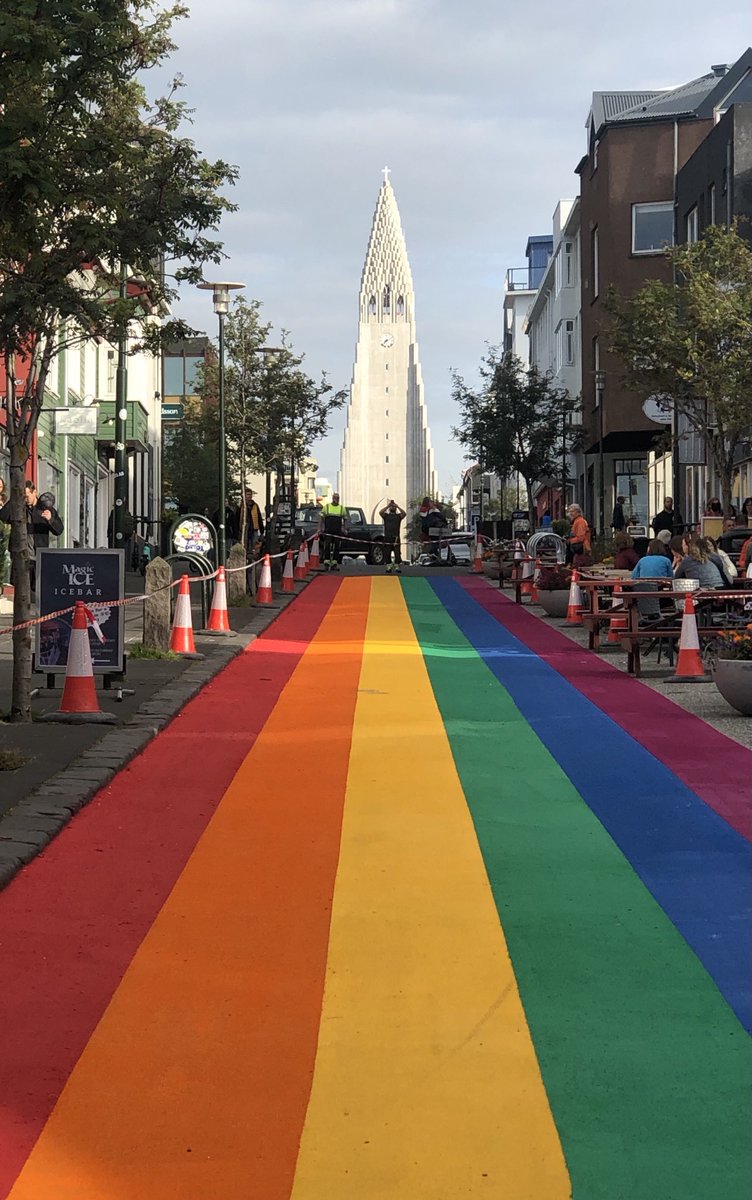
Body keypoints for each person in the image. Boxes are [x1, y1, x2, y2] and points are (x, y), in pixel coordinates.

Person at [0, 481, 64, 593]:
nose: (25, 499)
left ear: (35, 492)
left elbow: (59, 530)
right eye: (23, 496)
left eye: (27, 495)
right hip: (20, 558)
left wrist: (51, 520)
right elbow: (3, 516)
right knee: (21, 592)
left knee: (37, 592)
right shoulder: (18, 508)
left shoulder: (45, 509)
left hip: (38, 558)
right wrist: (14, 499)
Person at [630, 537, 674, 621]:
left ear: (649, 548)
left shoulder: (642, 560)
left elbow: (633, 577)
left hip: (643, 596)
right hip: (661, 597)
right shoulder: (666, 561)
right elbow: (671, 578)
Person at [319, 492, 347, 570]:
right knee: (327, 546)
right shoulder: (326, 507)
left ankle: (334, 564)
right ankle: (327, 563)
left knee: (337, 547)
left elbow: (345, 519)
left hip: (337, 531)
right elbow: (321, 518)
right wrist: (321, 528)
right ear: (332, 498)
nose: (337, 499)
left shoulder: (342, 508)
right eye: (335, 498)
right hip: (328, 530)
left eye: (338, 498)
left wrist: (344, 528)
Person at [379, 499, 406, 573]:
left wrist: (398, 506)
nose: (392, 507)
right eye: (391, 506)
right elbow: (380, 512)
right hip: (387, 537)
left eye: (393, 506)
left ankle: (397, 566)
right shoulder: (386, 516)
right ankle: (389, 567)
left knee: (397, 553)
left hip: (396, 537)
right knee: (387, 553)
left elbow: (404, 513)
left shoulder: (398, 516)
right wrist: (387, 506)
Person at [236, 488, 264, 558]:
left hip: (254, 528)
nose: (249, 496)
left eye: (250, 494)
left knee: (254, 545)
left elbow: (259, 517)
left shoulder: (255, 505)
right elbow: (237, 518)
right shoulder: (240, 506)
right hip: (244, 529)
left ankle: (253, 557)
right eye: (248, 494)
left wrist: (261, 529)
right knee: (245, 545)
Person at [565, 503, 591, 568]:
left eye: (572, 511)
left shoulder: (580, 522)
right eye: (569, 511)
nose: (570, 513)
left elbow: (581, 537)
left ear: (578, 512)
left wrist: (570, 541)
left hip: (581, 550)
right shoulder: (576, 521)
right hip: (579, 550)